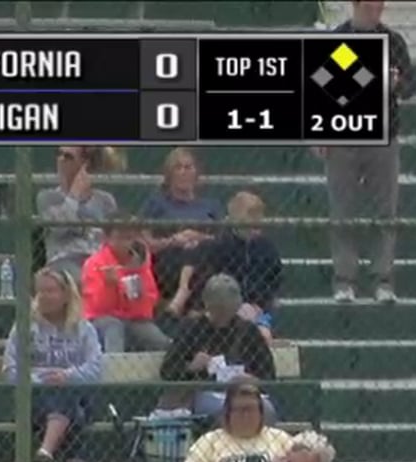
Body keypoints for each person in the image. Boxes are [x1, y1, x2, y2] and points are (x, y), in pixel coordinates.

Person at [322, 0, 416, 304]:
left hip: (383, 136)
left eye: (380, 3)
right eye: (371, 3)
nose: (378, 7)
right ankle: (344, 280)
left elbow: (410, 86)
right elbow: (321, 87)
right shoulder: (338, 39)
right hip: (344, 135)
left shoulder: (393, 41)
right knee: (343, 209)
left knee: (384, 210)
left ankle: (383, 279)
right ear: (357, 4)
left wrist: (397, 82)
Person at [2, 267, 102, 462]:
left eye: (51, 290)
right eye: (40, 291)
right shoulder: (24, 327)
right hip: (34, 398)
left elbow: (95, 368)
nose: (44, 297)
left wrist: (67, 376)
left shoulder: (84, 329)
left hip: (77, 395)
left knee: (68, 391)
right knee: (73, 411)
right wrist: (41, 380)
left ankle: (47, 451)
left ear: (66, 294)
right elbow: (10, 369)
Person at [161, 273, 278, 421]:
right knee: (225, 411)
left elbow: (268, 374)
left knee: (266, 410)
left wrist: (253, 380)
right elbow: (167, 370)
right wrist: (191, 367)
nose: (223, 317)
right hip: (206, 392)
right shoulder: (192, 328)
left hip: (244, 392)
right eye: (218, 311)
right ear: (208, 306)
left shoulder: (248, 331)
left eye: (228, 312)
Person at [138, 147, 221, 311]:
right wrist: (174, 241)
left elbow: (223, 242)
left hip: (204, 267)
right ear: (169, 174)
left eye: (188, 167)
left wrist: (198, 238)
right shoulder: (156, 205)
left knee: (201, 254)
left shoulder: (211, 206)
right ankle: (191, 307)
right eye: (178, 167)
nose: (183, 172)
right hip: (168, 266)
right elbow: (143, 244)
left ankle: (184, 298)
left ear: (196, 173)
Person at [201, 191, 285, 342]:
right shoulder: (221, 246)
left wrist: (260, 304)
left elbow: (274, 281)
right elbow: (213, 280)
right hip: (228, 306)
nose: (254, 230)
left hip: (260, 307)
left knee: (264, 333)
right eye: (249, 225)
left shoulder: (266, 248)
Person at [80, 215, 170, 354]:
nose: (125, 243)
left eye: (129, 238)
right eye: (120, 237)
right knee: (113, 326)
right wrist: (109, 286)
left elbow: (148, 305)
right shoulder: (95, 263)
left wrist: (136, 292)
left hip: (134, 318)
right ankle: (115, 371)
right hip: (102, 319)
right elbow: (97, 308)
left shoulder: (140, 264)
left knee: (159, 340)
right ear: (107, 239)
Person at [37, 145, 122, 282]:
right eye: (59, 154)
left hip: (98, 261)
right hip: (64, 263)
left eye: (68, 156)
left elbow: (111, 239)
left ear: (84, 164)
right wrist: (73, 195)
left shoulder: (105, 200)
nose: (61, 160)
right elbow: (59, 229)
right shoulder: (48, 197)